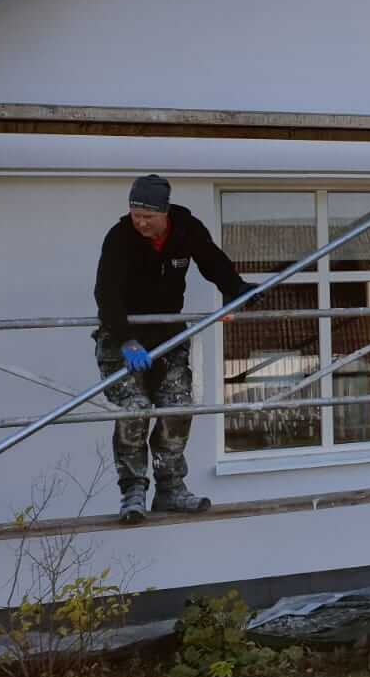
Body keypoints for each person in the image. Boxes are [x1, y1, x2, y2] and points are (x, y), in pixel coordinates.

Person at [94, 174, 256, 523]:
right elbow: (105, 294)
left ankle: (170, 488)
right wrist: (126, 338)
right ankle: (133, 490)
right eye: (135, 214)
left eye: (147, 216)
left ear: (164, 212)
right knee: (135, 409)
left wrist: (235, 288)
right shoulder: (120, 237)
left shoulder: (185, 229)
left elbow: (211, 260)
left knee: (177, 408)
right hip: (123, 338)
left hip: (168, 338)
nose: (140, 222)